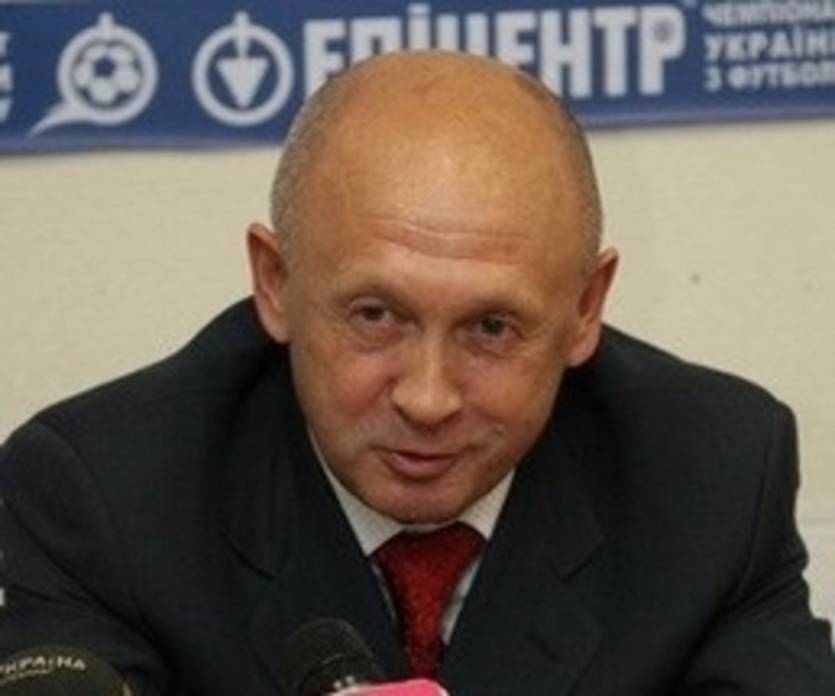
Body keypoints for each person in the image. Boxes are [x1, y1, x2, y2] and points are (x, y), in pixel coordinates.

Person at [1, 50, 833, 695]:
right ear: (276, 282)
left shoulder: (712, 478)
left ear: (585, 308)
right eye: (375, 316)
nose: (427, 398)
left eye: (491, 328)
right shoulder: (104, 499)